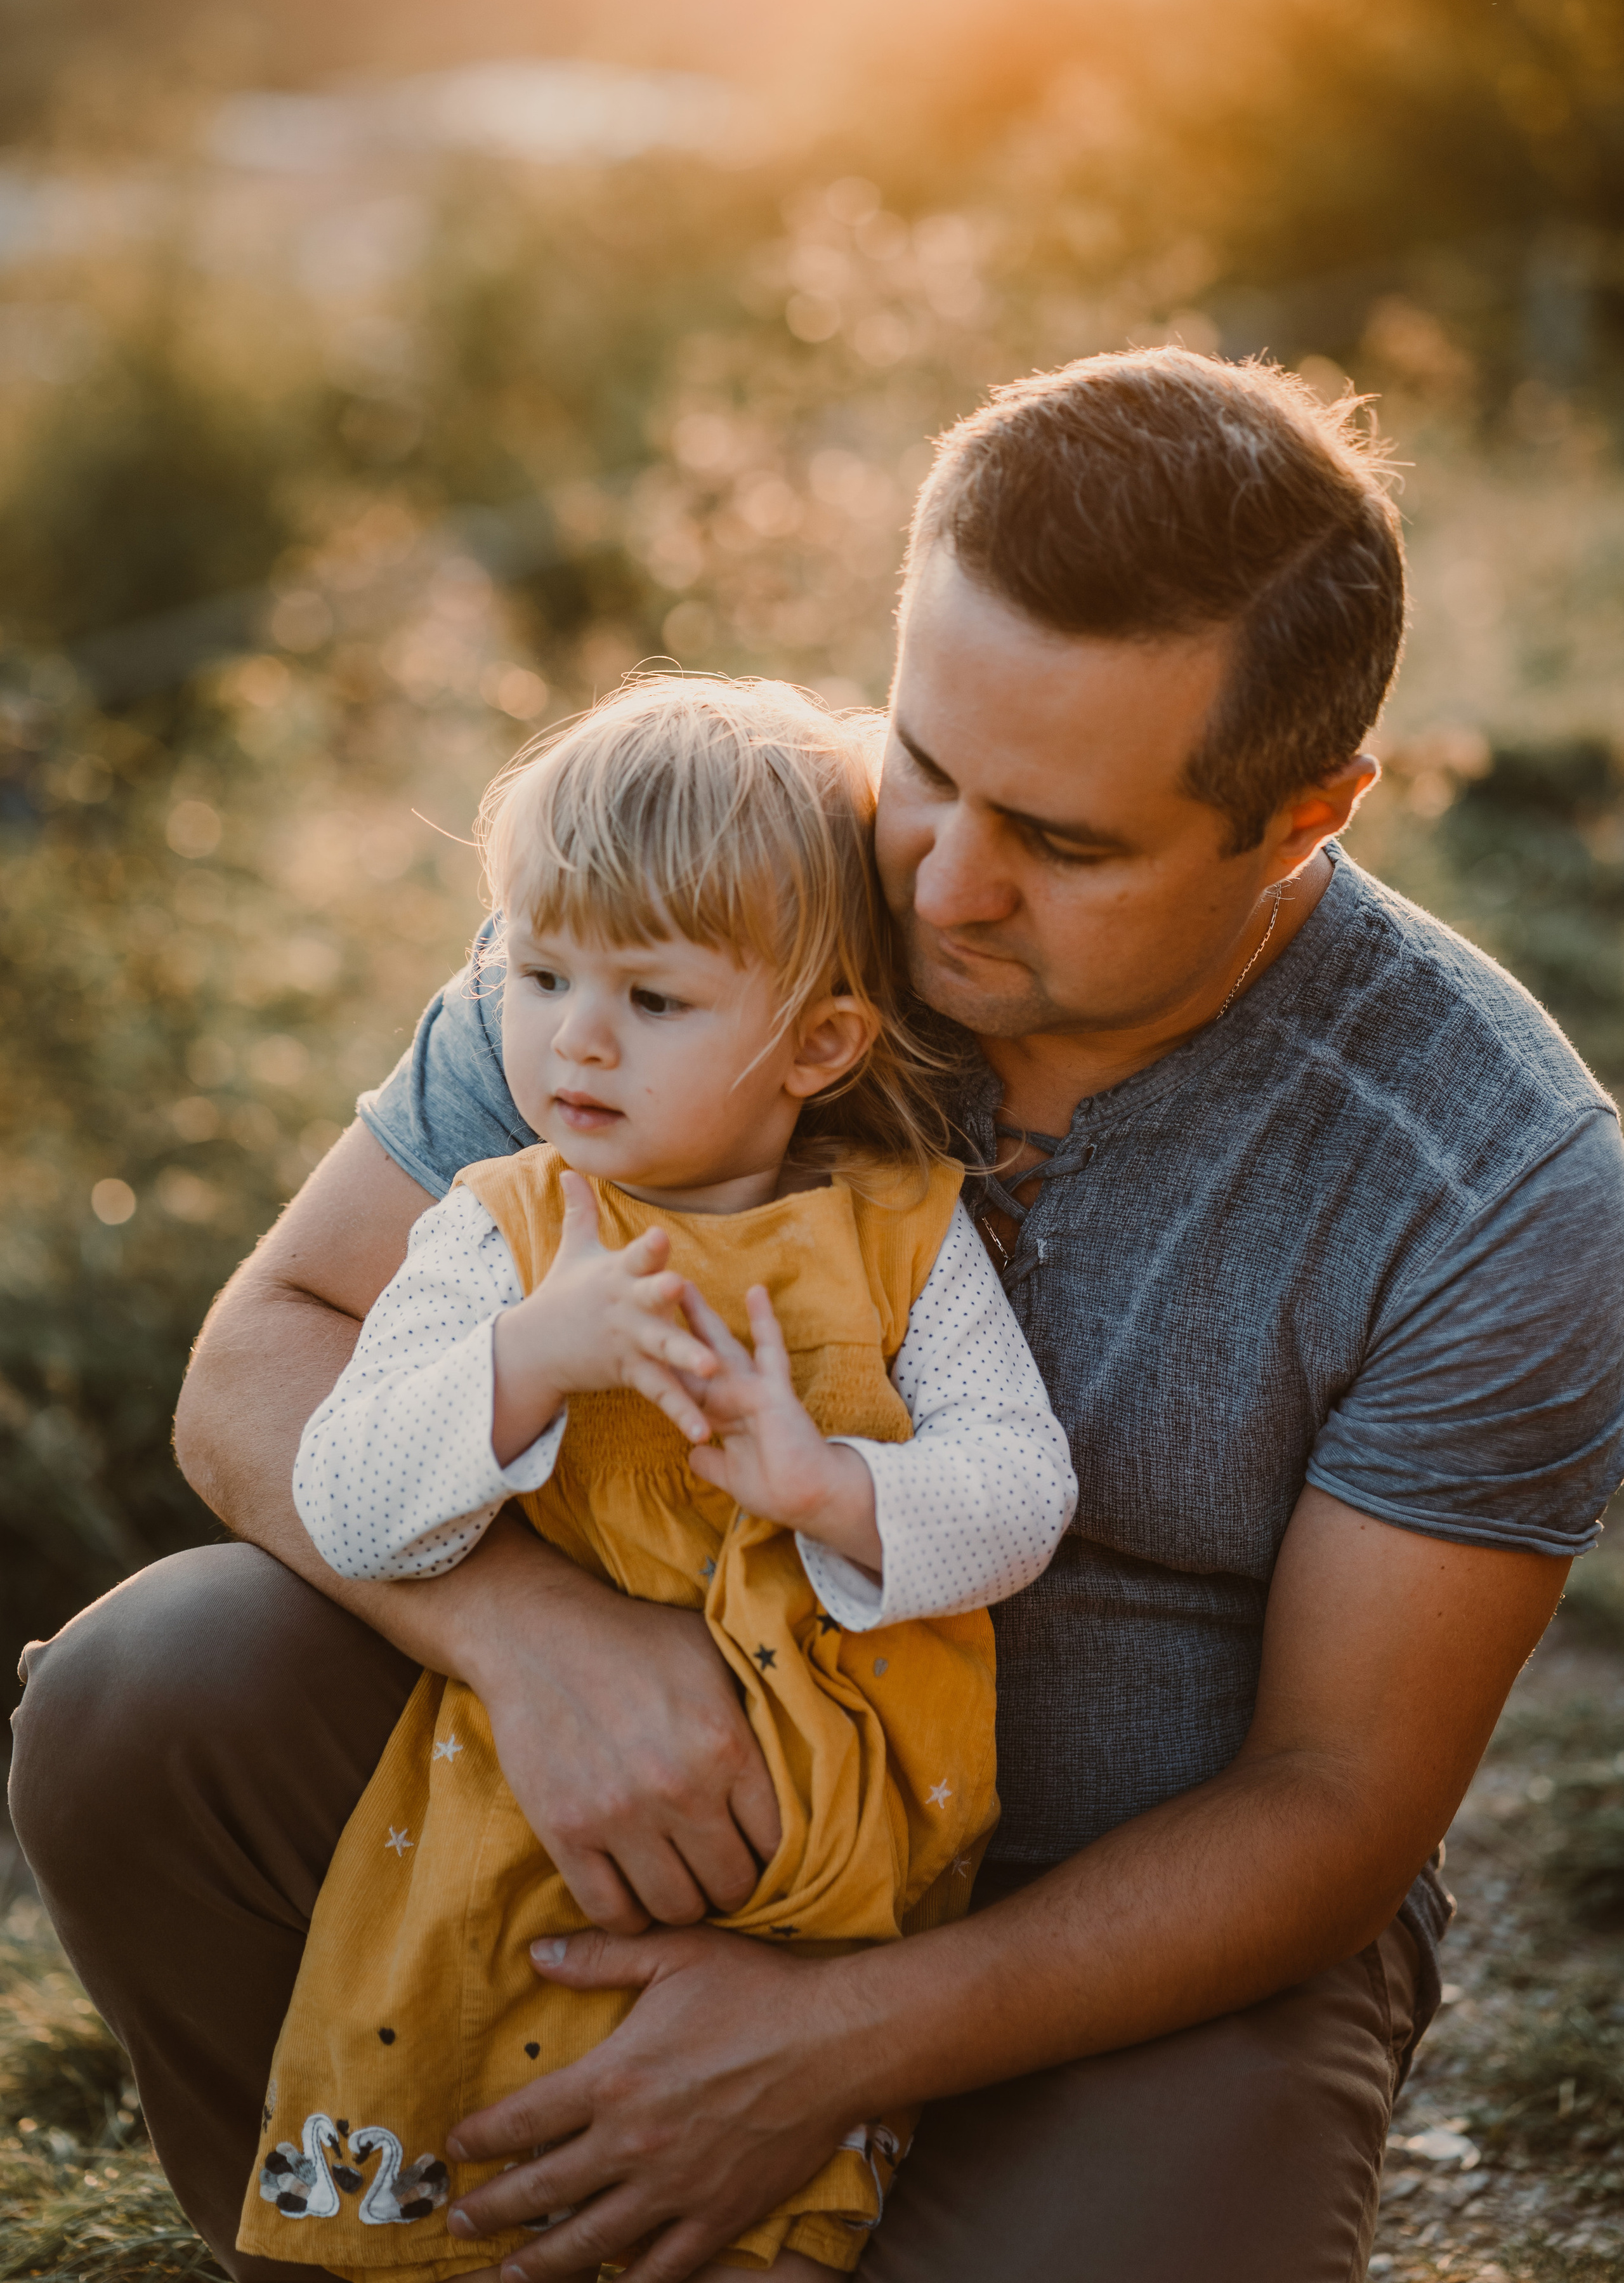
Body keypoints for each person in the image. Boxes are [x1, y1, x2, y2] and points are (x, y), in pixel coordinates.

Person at [13, 348, 1624, 2283]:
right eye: (927, 761)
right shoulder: (708, 894)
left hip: (1121, 1938)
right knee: (143, 1695)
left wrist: (825, 2041)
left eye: (1068, 842)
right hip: (597, 1814)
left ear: (1303, 814)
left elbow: (1341, 1803)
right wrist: (537, 1644)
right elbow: (268, 1349)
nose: (942, 881)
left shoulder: (1494, 1185)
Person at [235, 674, 1073, 2283]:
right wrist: (520, 1367)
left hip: (827, 1871)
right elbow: (346, 1498)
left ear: (820, 1039)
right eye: (537, 974)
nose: (575, 1038)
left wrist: (829, 1485)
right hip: (527, 1843)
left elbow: (1017, 1486)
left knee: (741, 2235)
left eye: (655, 999)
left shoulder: (902, 1231)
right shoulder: (504, 1229)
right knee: (466, 2170)